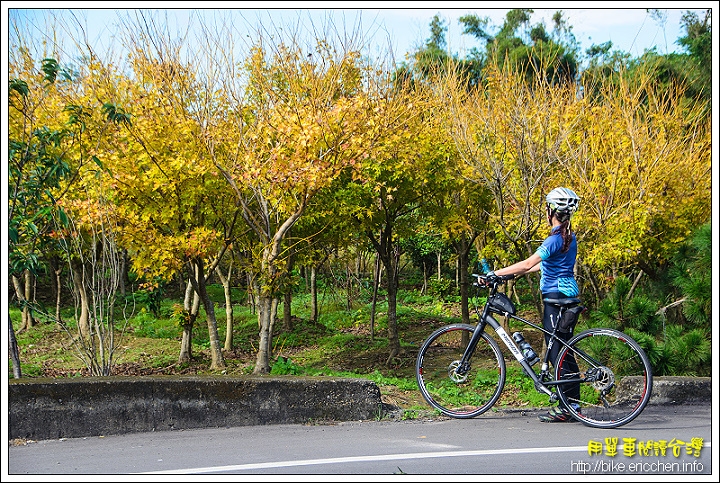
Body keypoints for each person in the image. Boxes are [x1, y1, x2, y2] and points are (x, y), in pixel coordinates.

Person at [486, 187, 582, 422]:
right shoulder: (568, 237)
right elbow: (546, 265)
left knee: (557, 353)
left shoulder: (554, 238)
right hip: (568, 295)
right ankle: (572, 405)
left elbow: (529, 262)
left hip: (555, 298)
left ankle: (569, 407)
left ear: (551, 211)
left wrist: (495, 273)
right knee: (562, 352)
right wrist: (512, 274)